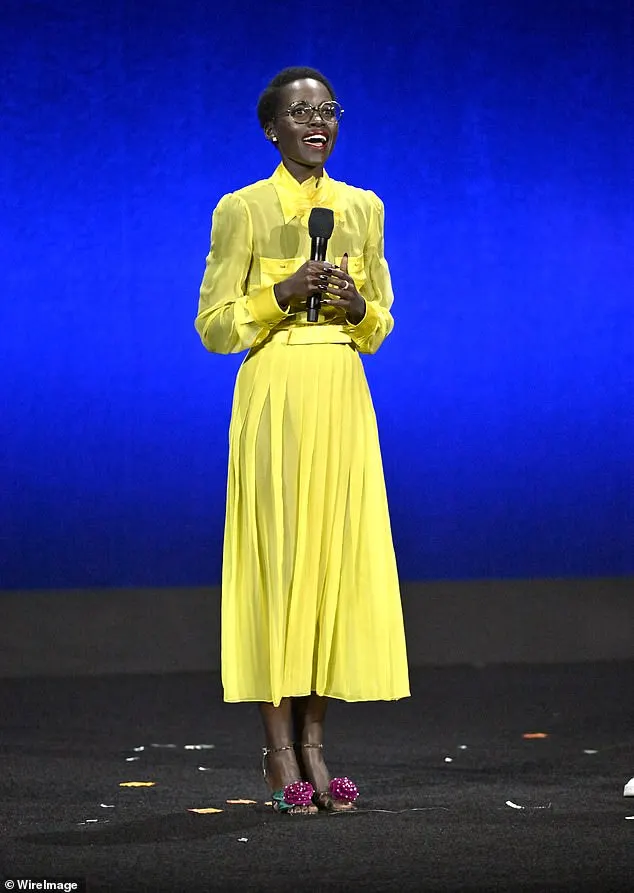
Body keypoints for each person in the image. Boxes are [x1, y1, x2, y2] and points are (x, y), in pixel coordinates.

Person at [195, 66, 410, 814]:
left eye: (327, 111)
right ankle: (278, 750)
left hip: (342, 394)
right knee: (280, 566)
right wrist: (277, 294)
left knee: (331, 569)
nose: (317, 122)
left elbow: (381, 322)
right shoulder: (243, 209)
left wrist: (356, 308)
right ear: (272, 128)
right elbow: (215, 325)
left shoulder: (363, 207)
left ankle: (316, 742)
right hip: (277, 390)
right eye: (300, 112)